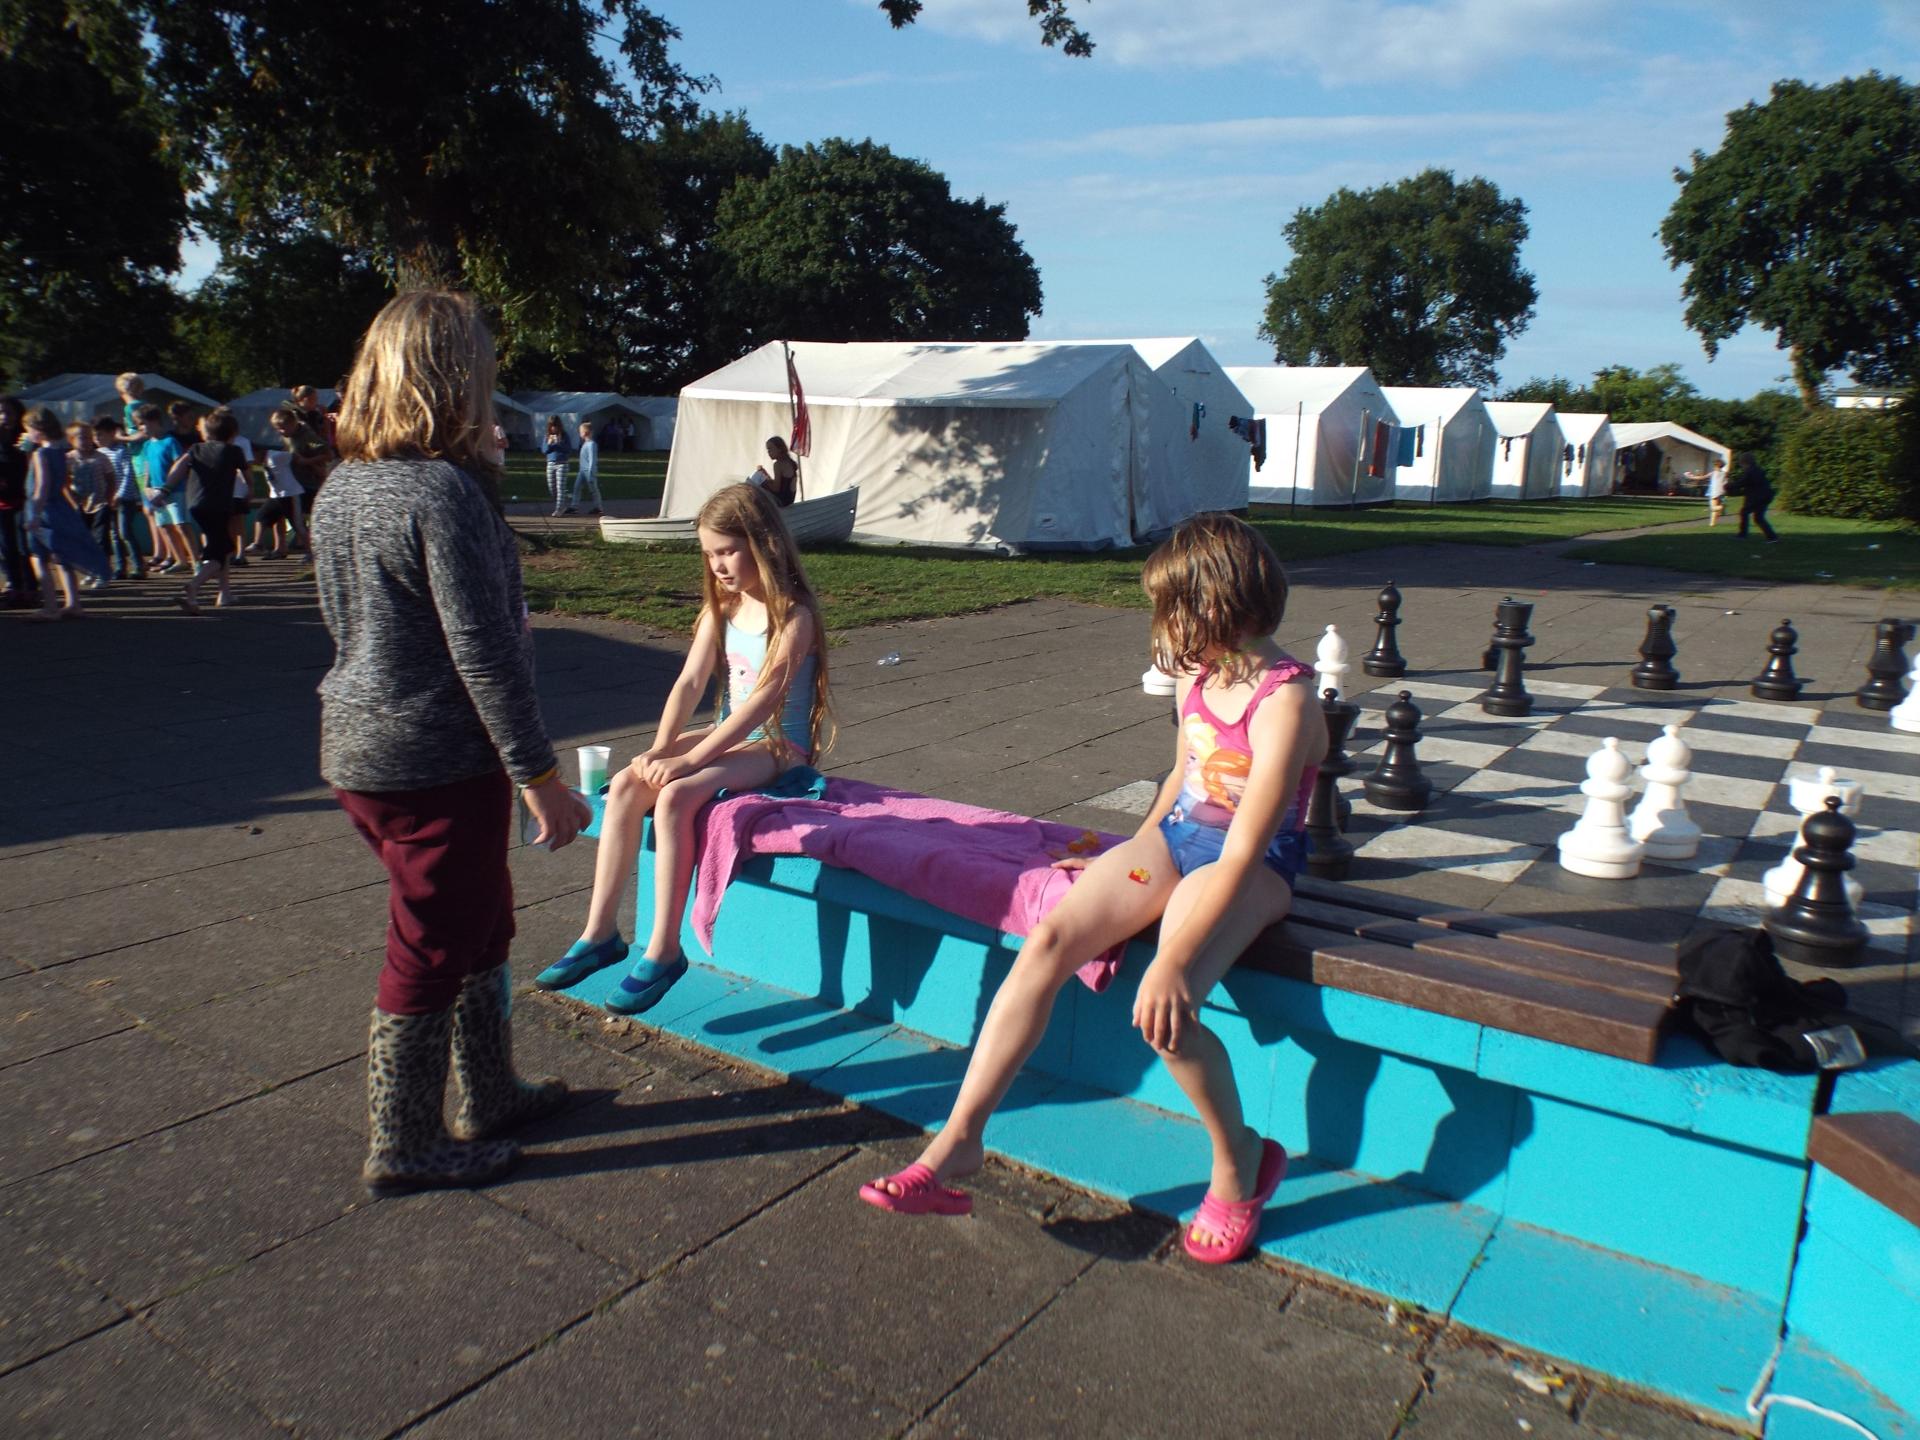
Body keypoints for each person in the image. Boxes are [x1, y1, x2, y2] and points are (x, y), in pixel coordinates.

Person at [858, 514, 1327, 1264]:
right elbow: (1182, 781)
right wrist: (1129, 858)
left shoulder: (1286, 700)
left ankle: (1239, 1161)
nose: (1163, 627)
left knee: (1165, 1010)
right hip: (1178, 843)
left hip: (1252, 866)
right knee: (1047, 940)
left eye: (1172, 609)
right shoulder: (1200, 677)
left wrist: (1174, 960)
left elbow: (1244, 844)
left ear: (1215, 603)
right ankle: (958, 1142)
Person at [314, 289, 590, 1197]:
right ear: (451, 377)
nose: (490, 385)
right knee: (431, 943)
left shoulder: (345, 485)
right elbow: (483, 651)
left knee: (480, 919)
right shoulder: (440, 491)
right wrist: (539, 774)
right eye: (482, 369)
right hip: (435, 758)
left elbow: (351, 623)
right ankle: (404, 1143)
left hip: (362, 747)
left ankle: (491, 1092)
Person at [536, 482, 833, 1017]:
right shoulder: (722, 609)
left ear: (763, 542)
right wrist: (660, 751)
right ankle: (600, 932)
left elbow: (763, 701)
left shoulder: (795, 617)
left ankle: (665, 948)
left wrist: (689, 761)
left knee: (676, 796)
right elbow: (690, 683)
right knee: (628, 784)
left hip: (779, 747)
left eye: (728, 551)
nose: (717, 565)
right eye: (709, 554)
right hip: (735, 737)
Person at [150, 406, 245, 613]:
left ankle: (223, 593)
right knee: (223, 551)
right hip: (220, 507)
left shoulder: (195, 449)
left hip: (196, 506)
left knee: (220, 548)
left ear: (206, 432)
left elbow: (178, 467)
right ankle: (194, 585)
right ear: (233, 434)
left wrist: (164, 490)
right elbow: (247, 475)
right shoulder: (234, 451)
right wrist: (249, 491)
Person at [21, 407, 109, 620]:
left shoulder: (41, 454)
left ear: (38, 429)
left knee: (39, 558)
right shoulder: (60, 452)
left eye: (29, 430)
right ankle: (73, 603)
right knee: (62, 558)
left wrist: (34, 515)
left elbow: (42, 486)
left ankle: (50, 607)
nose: (27, 434)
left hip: (42, 509)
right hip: (60, 507)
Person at [138, 404, 196, 575]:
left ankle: (196, 561)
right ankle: (180, 560)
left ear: (154, 421)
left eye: (142, 424)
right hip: (155, 492)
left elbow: (180, 466)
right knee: (165, 526)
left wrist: (167, 488)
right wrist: (147, 487)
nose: (141, 428)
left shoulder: (170, 441)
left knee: (181, 525)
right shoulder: (147, 445)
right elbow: (147, 468)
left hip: (175, 491)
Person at [253, 408, 311, 558]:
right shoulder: (264, 461)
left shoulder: (275, 456)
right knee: (261, 516)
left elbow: (293, 456)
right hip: (276, 496)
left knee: (298, 525)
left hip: (290, 493)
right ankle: (257, 543)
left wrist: (306, 461)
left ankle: (312, 552)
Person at [65, 421, 117, 588]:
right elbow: (64, 483)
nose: (87, 441)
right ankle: (91, 570)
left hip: (100, 504)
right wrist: (72, 502)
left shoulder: (100, 457)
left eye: (89, 437)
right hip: (80, 505)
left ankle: (103, 573)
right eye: (82, 437)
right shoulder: (69, 459)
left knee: (100, 539)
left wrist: (109, 498)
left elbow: (111, 479)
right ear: (72, 440)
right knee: (84, 540)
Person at [94, 416, 146, 579]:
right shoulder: (99, 453)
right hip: (108, 500)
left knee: (125, 532)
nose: (97, 439)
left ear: (111, 433)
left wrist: (118, 495)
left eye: (100, 434)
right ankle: (120, 567)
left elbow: (127, 475)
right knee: (114, 534)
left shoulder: (121, 451)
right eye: (95, 435)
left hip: (126, 499)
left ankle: (139, 567)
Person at [1, 395, 41, 608]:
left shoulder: (25, 437)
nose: (4, 417)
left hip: (23, 499)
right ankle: (14, 588)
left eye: (9, 412)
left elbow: (33, 466)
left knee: (24, 547)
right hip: (2, 500)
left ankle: (30, 589)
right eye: (1, 413)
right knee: (7, 547)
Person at [1728, 451, 1779, 543]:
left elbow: (1742, 482)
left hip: (1757, 496)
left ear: (1744, 462)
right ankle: (1772, 537)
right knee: (1758, 517)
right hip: (1766, 496)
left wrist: (1729, 486)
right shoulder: (1758, 470)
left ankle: (1743, 535)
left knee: (1744, 513)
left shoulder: (1750, 471)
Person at [753, 435, 799, 508]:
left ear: (779, 449)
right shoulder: (790, 462)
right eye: (767, 450)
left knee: (756, 478)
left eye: (770, 449)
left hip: (781, 501)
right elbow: (779, 484)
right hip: (789, 500)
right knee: (759, 476)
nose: (768, 452)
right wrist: (764, 474)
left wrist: (764, 481)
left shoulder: (778, 464)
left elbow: (776, 489)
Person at [568, 421, 601, 515]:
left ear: (585, 432)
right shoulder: (585, 444)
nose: (580, 434)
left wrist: (591, 473)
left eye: (580, 432)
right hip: (582, 471)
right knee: (577, 487)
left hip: (589, 471)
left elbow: (592, 459)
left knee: (593, 490)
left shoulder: (591, 444)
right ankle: (574, 506)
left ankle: (598, 507)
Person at [1684, 457, 1727, 527]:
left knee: (1713, 508)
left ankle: (1722, 507)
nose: (1713, 467)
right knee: (1714, 509)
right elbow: (1726, 482)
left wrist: (1690, 476)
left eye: (1714, 465)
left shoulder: (1713, 473)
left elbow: (1701, 477)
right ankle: (1712, 524)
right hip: (1721, 492)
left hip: (1714, 492)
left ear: (1716, 466)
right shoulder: (1724, 473)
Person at [541, 417, 571, 516]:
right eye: (551, 426)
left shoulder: (564, 435)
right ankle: (562, 504)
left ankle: (559, 509)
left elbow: (568, 449)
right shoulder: (547, 436)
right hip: (551, 463)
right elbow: (544, 450)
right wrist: (549, 444)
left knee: (560, 487)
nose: (553, 428)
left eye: (555, 426)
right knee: (552, 488)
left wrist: (558, 443)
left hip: (562, 463)